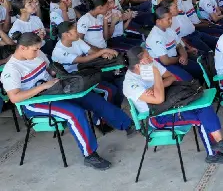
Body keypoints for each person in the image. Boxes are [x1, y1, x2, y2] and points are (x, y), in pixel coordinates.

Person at [2, 32, 135, 170]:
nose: (37, 52)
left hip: (53, 91)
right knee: (74, 113)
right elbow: (15, 97)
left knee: (92, 98)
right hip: (34, 103)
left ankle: (126, 124)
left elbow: (50, 70)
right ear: (22, 48)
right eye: (34, 50)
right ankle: (90, 155)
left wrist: (58, 75)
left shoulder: (38, 54)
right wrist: (43, 86)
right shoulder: (11, 69)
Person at [123, 46, 223, 164]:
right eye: (147, 57)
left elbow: (171, 77)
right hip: (157, 117)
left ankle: (220, 142)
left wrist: (155, 87)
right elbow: (159, 99)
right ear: (138, 65)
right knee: (201, 118)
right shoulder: (130, 84)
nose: (151, 58)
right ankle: (213, 155)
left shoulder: (150, 64)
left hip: (170, 105)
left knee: (204, 106)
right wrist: (156, 74)